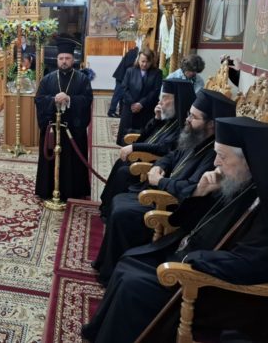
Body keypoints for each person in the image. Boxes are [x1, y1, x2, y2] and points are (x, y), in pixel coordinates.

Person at [83, 116, 268, 343]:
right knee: (129, 262)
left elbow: (254, 264)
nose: (216, 163)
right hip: (194, 259)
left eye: (222, 157)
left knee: (133, 286)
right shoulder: (238, 182)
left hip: (217, 289)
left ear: (249, 160)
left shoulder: (267, 203)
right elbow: (189, 223)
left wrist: (193, 260)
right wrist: (201, 193)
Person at [94, 89, 237, 285]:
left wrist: (160, 182)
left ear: (211, 124)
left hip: (174, 207)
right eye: (188, 114)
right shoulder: (195, 136)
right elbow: (171, 155)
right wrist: (159, 167)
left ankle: (109, 274)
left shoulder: (215, 155)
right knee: (120, 202)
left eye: (193, 117)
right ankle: (106, 267)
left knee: (122, 212)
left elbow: (192, 189)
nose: (187, 120)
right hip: (163, 191)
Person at [99, 79, 195, 218]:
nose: (160, 102)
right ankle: (106, 207)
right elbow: (144, 137)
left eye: (165, 98)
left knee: (124, 171)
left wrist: (134, 147)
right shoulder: (170, 117)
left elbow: (164, 148)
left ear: (178, 101)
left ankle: (109, 212)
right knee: (122, 164)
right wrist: (156, 119)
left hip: (157, 167)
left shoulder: (184, 127)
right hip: (149, 159)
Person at [34, 38, 93, 201]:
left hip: (73, 130)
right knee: (51, 159)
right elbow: (39, 100)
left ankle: (73, 191)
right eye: (61, 58)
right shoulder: (48, 79)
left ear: (73, 60)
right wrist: (53, 100)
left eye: (67, 58)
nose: (64, 61)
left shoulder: (82, 79)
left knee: (73, 162)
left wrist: (69, 99)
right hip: (52, 128)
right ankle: (47, 190)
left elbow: (87, 100)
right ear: (57, 60)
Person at [116, 47, 162, 146]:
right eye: (142, 61)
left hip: (146, 109)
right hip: (130, 109)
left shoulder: (157, 73)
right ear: (138, 60)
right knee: (126, 139)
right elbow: (124, 88)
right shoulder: (130, 71)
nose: (144, 64)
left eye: (147, 62)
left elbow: (155, 91)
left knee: (142, 139)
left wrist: (141, 104)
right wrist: (133, 103)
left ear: (152, 61)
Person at [108, 44, 139, 117]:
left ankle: (121, 112)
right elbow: (129, 65)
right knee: (117, 95)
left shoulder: (133, 52)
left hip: (122, 76)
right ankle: (111, 111)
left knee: (122, 96)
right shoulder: (133, 53)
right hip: (121, 77)